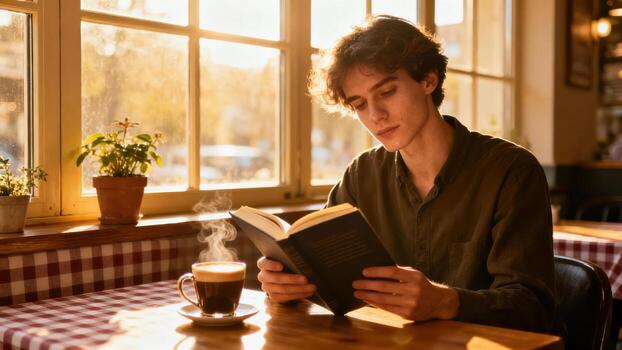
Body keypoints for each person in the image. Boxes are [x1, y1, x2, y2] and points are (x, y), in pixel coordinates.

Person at [257, 15, 555, 333]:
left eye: (386, 92)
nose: (376, 116)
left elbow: (533, 309)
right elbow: (327, 282)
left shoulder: (511, 171)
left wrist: (445, 301)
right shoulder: (361, 175)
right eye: (359, 104)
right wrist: (289, 285)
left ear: (428, 80)